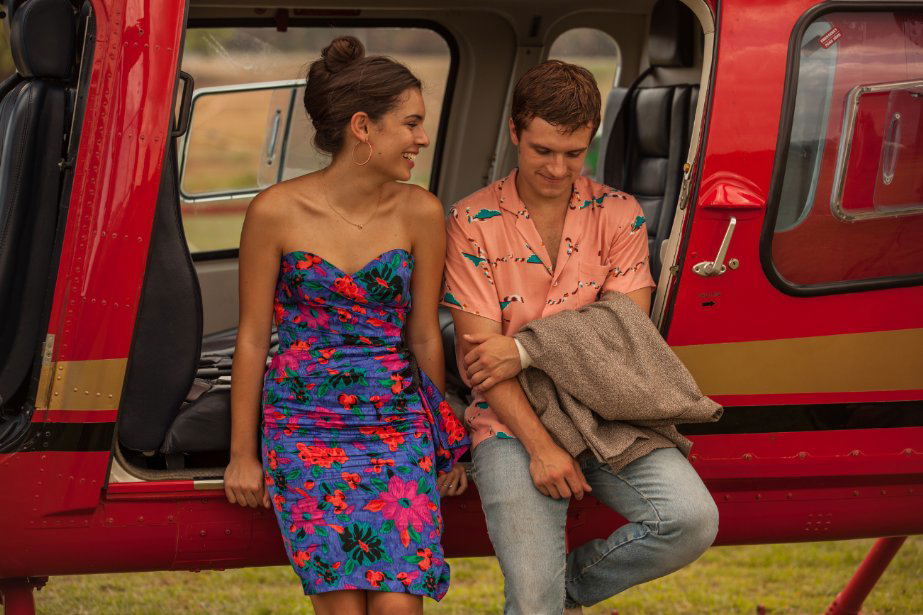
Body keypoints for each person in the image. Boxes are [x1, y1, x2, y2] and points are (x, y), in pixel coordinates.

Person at [441, 60, 719, 614]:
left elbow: (625, 331)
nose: (557, 168)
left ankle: (565, 591)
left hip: (605, 412)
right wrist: (543, 449)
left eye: (574, 153)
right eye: (542, 150)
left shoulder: (620, 214)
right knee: (533, 597)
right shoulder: (470, 221)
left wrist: (523, 349)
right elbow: (482, 364)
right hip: (510, 423)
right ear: (515, 131)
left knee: (691, 521)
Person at [223, 36, 469, 615]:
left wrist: (443, 446)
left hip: (397, 424)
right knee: (341, 606)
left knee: (400, 605)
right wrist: (242, 454)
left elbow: (424, 334)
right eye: (410, 124)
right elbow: (253, 338)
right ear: (363, 127)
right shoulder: (274, 212)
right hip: (304, 425)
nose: (422, 139)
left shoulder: (421, 211)